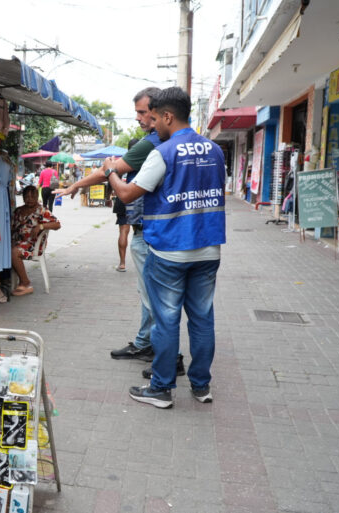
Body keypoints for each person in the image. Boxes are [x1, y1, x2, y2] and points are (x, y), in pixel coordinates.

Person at [103, 87, 227, 408]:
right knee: (202, 319)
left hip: (170, 250)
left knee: (167, 319)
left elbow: (129, 194)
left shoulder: (164, 152)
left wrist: (111, 173)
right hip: (208, 249)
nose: (153, 125)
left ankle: (161, 388)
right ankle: (201, 387)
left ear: (169, 116)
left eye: (155, 118)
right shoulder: (215, 150)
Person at [56, 88, 186, 380]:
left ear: (158, 113)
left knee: (156, 298)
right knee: (151, 295)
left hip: (150, 231)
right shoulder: (169, 142)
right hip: (157, 230)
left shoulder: (151, 144)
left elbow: (111, 174)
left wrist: (77, 185)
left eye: (143, 112)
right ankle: (146, 343)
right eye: (138, 112)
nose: (140, 117)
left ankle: (170, 357)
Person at [11, 185, 60, 296]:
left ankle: (25, 283)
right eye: (27, 197)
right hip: (18, 242)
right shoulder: (18, 210)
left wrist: (41, 227)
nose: (29, 199)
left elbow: (57, 224)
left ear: (37, 197)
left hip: (33, 245)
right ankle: (5, 282)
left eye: (32, 197)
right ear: (23, 198)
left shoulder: (42, 210)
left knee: (13, 252)